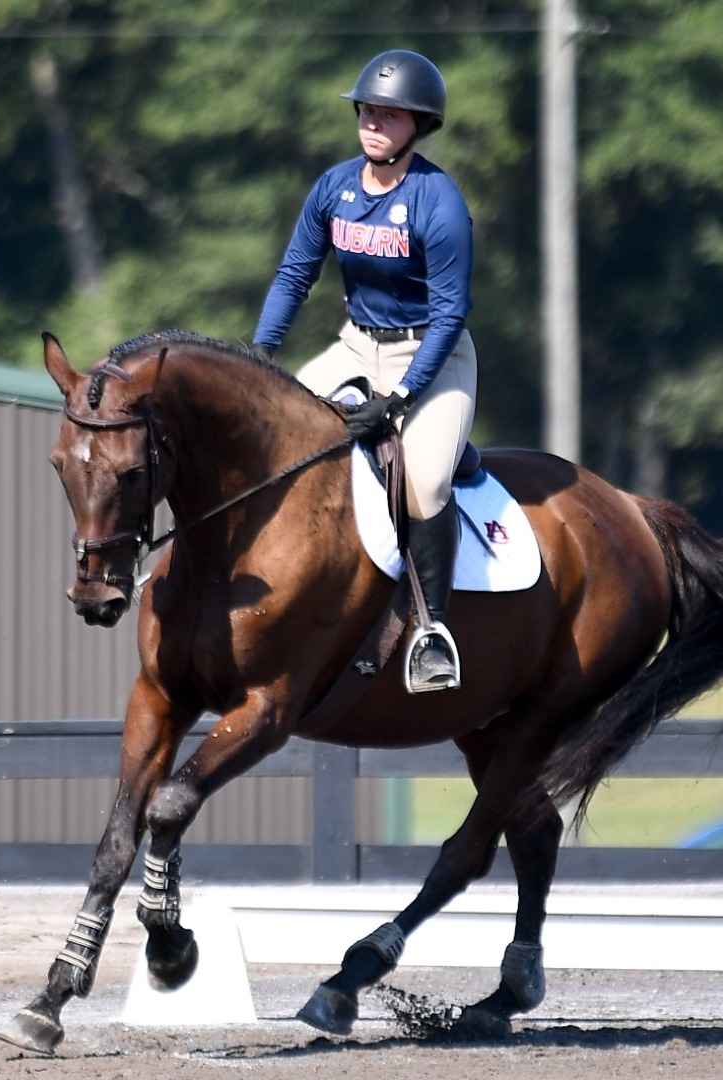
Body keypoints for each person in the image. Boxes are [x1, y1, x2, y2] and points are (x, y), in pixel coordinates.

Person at [252, 49, 477, 695]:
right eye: (368, 110)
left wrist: (402, 398)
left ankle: (433, 632)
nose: (374, 122)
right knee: (272, 438)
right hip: (355, 347)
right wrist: (261, 356)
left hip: (431, 354)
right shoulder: (335, 187)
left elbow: (448, 314)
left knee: (426, 482)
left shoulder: (438, 201)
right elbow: (296, 273)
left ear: (420, 124)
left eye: (390, 114)